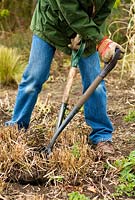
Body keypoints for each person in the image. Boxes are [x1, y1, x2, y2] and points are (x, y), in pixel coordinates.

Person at [5, 0, 124, 157]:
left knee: (95, 83)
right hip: (51, 24)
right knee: (34, 77)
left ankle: (101, 135)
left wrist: (95, 37)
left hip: (86, 30)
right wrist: (98, 39)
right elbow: (68, 8)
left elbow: (104, 10)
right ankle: (17, 126)